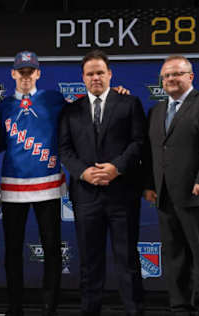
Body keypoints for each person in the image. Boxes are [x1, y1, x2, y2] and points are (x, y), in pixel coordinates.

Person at [58, 50, 145, 316]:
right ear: (83, 78)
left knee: (127, 260)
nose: (95, 77)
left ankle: (134, 311)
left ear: (110, 74)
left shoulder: (129, 103)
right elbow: (64, 149)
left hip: (122, 196)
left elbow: (139, 143)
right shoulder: (70, 110)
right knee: (89, 262)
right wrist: (83, 172)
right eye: (90, 73)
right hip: (86, 197)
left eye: (100, 72)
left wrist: (117, 168)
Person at [143, 55, 199, 316]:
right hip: (166, 198)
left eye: (177, 74)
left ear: (190, 77)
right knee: (175, 259)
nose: (171, 79)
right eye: (167, 75)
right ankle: (181, 307)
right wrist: (150, 185)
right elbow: (152, 153)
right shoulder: (156, 111)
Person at [0, 51, 65, 316]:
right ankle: (15, 306)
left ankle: (50, 306)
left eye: (30, 71)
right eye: (21, 71)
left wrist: (118, 92)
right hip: (13, 187)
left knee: (51, 249)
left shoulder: (54, 99)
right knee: (13, 250)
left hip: (47, 186)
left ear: (38, 73)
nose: (25, 76)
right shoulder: (3, 106)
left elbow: (81, 117)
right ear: (13, 74)